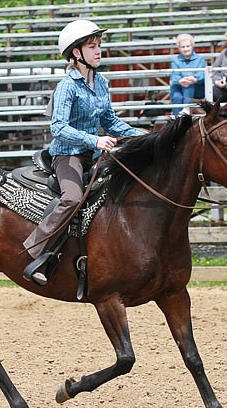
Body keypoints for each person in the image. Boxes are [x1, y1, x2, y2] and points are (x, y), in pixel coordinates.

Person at [22, 19, 143, 286]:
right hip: (68, 156)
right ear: (77, 53)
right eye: (92, 46)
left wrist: (144, 136)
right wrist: (94, 140)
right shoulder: (67, 86)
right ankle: (37, 250)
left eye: (99, 45)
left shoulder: (101, 83)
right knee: (72, 198)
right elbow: (58, 127)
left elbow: (111, 121)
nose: (99, 50)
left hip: (93, 153)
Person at [169, 33, 206, 115]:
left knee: (189, 86)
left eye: (188, 46)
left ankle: (186, 110)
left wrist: (194, 79)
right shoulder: (175, 60)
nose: (186, 49)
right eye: (183, 47)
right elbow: (174, 75)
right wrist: (180, 80)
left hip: (196, 88)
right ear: (179, 48)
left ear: (192, 46)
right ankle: (176, 118)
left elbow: (201, 74)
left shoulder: (200, 59)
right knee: (176, 96)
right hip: (179, 87)